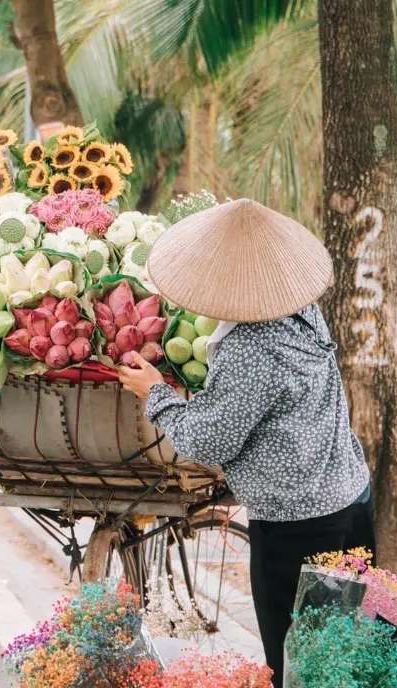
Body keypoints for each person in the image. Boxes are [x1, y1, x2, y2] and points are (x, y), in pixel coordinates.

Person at [117, 199, 374, 687]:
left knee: (295, 661)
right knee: (340, 653)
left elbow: (208, 441)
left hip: (299, 524)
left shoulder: (247, 348)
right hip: (350, 498)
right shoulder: (303, 311)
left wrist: (154, 393)